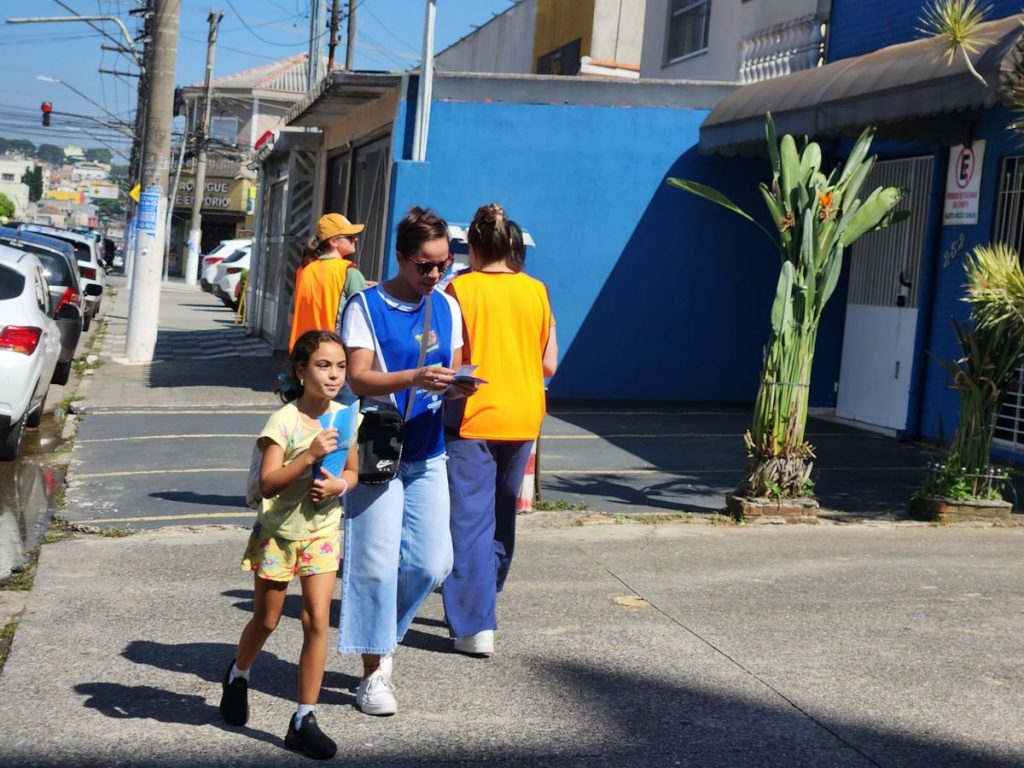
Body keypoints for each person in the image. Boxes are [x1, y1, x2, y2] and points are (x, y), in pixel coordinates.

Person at [338, 205, 477, 716]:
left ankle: (380, 633)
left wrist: (460, 384)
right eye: (425, 265)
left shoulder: (447, 306)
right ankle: (374, 673)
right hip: (379, 445)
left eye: (444, 264)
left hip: (428, 449)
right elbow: (359, 378)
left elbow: (456, 369)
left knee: (432, 561)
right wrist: (414, 379)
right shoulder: (365, 307)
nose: (436, 275)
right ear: (401, 258)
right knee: (374, 566)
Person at [220, 330, 358, 760]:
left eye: (339, 366)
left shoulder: (346, 418)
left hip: (321, 532)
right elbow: (267, 483)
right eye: (323, 366)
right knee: (266, 620)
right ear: (302, 371)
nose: (334, 375)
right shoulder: (284, 421)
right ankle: (239, 674)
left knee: (317, 619)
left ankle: (303, 718)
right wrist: (310, 457)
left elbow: (353, 472)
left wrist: (340, 484)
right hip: (279, 534)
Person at [441, 203, 557, 656]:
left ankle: (475, 625)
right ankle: (490, 586)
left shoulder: (457, 290)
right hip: (524, 412)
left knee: (469, 519)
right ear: (511, 245)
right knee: (502, 510)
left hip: (472, 413)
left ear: (470, 246)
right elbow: (549, 363)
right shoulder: (536, 291)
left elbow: (449, 362)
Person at [289, 213, 369, 352]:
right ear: (334, 241)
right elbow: (366, 320)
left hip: (302, 355)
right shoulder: (348, 271)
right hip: (333, 355)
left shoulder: (304, 270)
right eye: (350, 237)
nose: (355, 239)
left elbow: (291, 319)